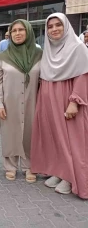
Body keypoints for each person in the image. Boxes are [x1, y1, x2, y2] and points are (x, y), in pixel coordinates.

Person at [31, 13, 88, 198]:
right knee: (54, 137)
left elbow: (83, 76)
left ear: (66, 27)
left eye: (58, 25)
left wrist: (74, 101)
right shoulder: (48, 49)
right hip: (49, 100)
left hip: (67, 99)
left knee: (70, 140)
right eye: (50, 26)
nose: (54, 29)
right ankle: (59, 171)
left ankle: (72, 178)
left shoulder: (78, 48)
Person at [0, 19, 42, 183]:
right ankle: (10, 166)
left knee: (30, 134)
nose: (18, 33)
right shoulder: (3, 57)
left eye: (21, 30)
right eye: (14, 31)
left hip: (32, 101)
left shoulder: (39, 55)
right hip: (9, 102)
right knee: (10, 134)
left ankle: (30, 166)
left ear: (28, 32)